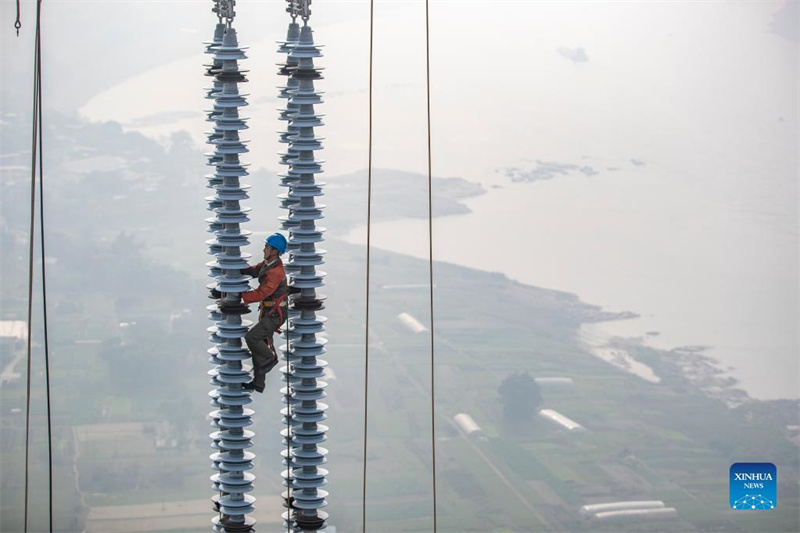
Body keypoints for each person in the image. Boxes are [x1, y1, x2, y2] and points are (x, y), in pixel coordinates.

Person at [240, 233, 289, 393]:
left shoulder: (275, 272)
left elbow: (262, 293)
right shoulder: (269, 263)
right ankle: (258, 383)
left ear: (274, 251)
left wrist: (241, 296)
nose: (264, 249)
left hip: (275, 314)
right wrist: (239, 270)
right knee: (258, 345)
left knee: (252, 338)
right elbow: (255, 271)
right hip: (270, 311)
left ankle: (270, 358)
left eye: (267, 247)